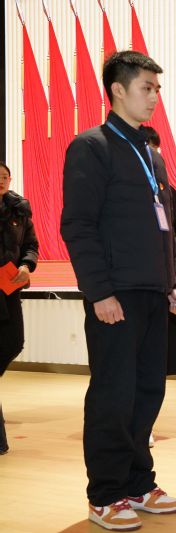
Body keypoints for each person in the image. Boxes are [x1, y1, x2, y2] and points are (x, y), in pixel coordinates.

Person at [61, 51, 176, 531]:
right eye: (146, 88)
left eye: (157, 89)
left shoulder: (151, 154)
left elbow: (169, 228)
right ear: (118, 90)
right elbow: (78, 225)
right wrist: (99, 292)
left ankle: (137, 482)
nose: (154, 97)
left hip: (153, 295)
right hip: (115, 296)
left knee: (147, 392)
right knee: (113, 396)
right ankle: (105, 493)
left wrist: (174, 282)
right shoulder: (90, 147)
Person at [141, 126, 176, 448]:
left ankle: (144, 424)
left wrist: (175, 275)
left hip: (162, 284)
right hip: (131, 287)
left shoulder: (165, 190)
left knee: (155, 367)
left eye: (156, 153)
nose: (153, 159)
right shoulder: (119, 186)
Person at [0, 162, 39, 455]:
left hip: (9, 286)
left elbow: (31, 245)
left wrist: (26, 265)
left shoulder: (19, 209)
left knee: (15, 342)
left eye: (5, 177)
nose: (1, 181)